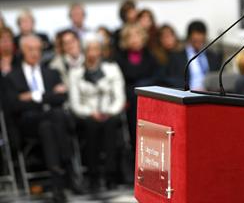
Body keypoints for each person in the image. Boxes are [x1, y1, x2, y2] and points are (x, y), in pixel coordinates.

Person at [4, 34, 82, 202]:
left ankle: (57, 183)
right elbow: (14, 106)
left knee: (48, 124)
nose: (35, 53)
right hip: (28, 123)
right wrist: (48, 96)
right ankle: (69, 170)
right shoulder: (12, 77)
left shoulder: (51, 72)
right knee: (56, 115)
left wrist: (33, 96)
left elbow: (62, 98)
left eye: (38, 49)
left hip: (49, 124)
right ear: (22, 51)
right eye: (30, 49)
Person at [69, 32, 125, 192]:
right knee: (91, 127)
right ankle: (93, 176)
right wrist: (90, 112)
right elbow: (75, 103)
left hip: (109, 112)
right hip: (87, 114)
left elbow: (119, 97)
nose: (92, 53)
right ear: (84, 51)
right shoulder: (76, 73)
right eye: (89, 49)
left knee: (111, 126)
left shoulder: (112, 69)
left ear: (101, 50)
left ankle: (110, 175)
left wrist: (109, 111)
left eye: (96, 48)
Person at [114, 23, 161, 150]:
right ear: (125, 40)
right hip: (129, 99)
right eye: (131, 36)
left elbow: (156, 78)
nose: (135, 39)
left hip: (148, 98)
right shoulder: (119, 58)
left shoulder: (150, 56)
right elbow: (118, 81)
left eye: (138, 35)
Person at [167, 20, 221, 90]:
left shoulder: (213, 56)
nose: (199, 39)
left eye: (201, 36)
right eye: (196, 38)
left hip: (210, 94)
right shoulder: (177, 57)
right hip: (188, 95)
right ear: (189, 37)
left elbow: (218, 79)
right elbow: (174, 81)